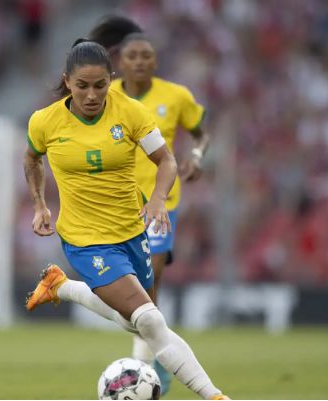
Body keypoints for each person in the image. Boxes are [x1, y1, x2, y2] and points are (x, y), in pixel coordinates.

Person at [23, 39, 230, 400]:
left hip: (132, 232)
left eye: (100, 85)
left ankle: (63, 287)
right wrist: (40, 204)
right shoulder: (45, 121)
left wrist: (159, 200)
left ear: (110, 80)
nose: (91, 95)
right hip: (85, 240)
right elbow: (31, 160)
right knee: (150, 319)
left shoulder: (130, 112)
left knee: (141, 322)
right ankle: (214, 395)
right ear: (67, 81)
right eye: (82, 86)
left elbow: (165, 161)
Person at [88, 16, 212, 396]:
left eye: (147, 56)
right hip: (116, 203)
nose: (140, 61)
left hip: (161, 203)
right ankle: (155, 349)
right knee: (131, 285)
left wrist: (197, 155)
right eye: (133, 56)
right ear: (120, 62)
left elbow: (201, 131)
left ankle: (146, 359)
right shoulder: (105, 98)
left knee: (150, 276)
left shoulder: (175, 96)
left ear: (155, 62)